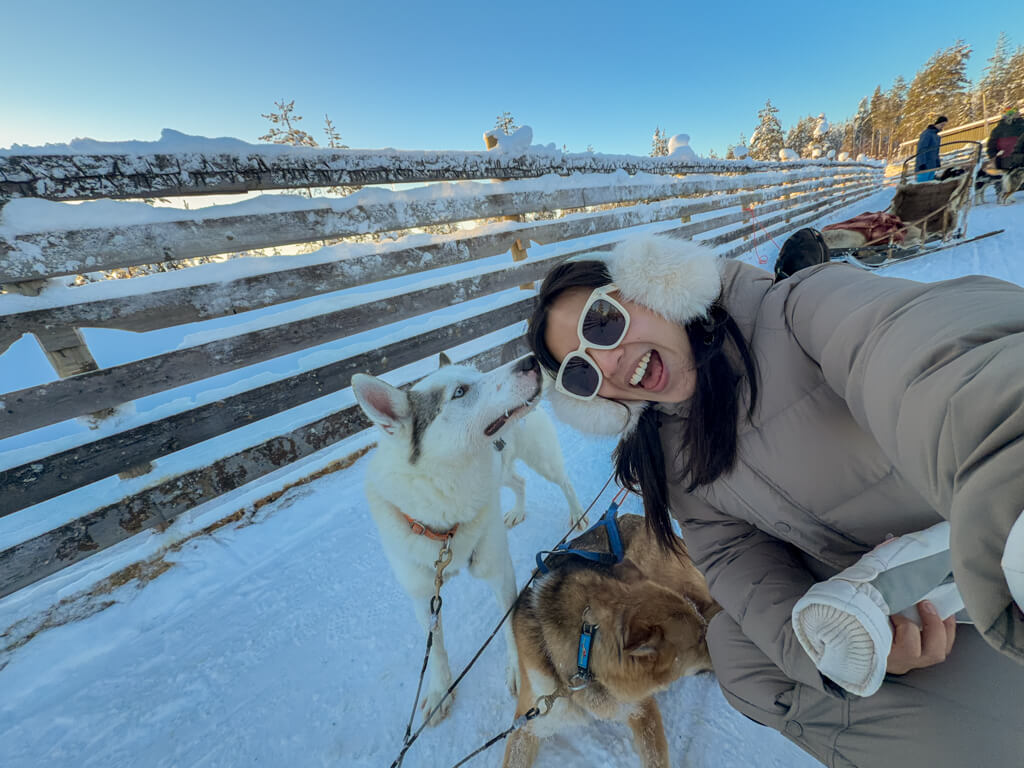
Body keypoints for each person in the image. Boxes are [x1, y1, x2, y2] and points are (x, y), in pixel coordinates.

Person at [525, 233, 1024, 767]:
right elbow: (733, 559)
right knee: (737, 651)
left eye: (602, 324)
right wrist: (835, 648)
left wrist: (1003, 460)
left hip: (991, 537)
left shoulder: (798, 310)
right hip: (913, 616)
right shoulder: (674, 457)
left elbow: (932, 352)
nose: (611, 363)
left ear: (653, 283)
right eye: (582, 373)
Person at [986, 106, 1024, 171]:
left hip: (1012, 163)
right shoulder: (998, 130)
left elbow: (991, 148)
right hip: (1006, 164)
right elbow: (991, 148)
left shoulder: (997, 130)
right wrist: (995, 160)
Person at [915, 115, 948, 181]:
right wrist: (921, 163)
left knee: (930, 185)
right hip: (924, 166)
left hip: (932, 166)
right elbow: (921, 149)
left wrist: (937, 163)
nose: (942, 127)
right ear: (937, 123)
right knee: (922, 186)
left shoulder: (937, 137)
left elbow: (936, 152)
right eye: (942, 124)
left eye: (944, 125)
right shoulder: (927, 134)